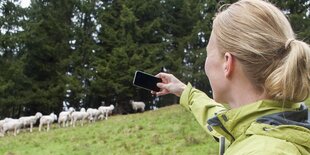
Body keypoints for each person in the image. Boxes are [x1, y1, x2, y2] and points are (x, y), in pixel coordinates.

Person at [154, 0, 310, 154]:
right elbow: (229, 124)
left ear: (227, 63)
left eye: (208, 53)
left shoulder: (263, 150)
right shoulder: (283, 121)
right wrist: (183, 91)